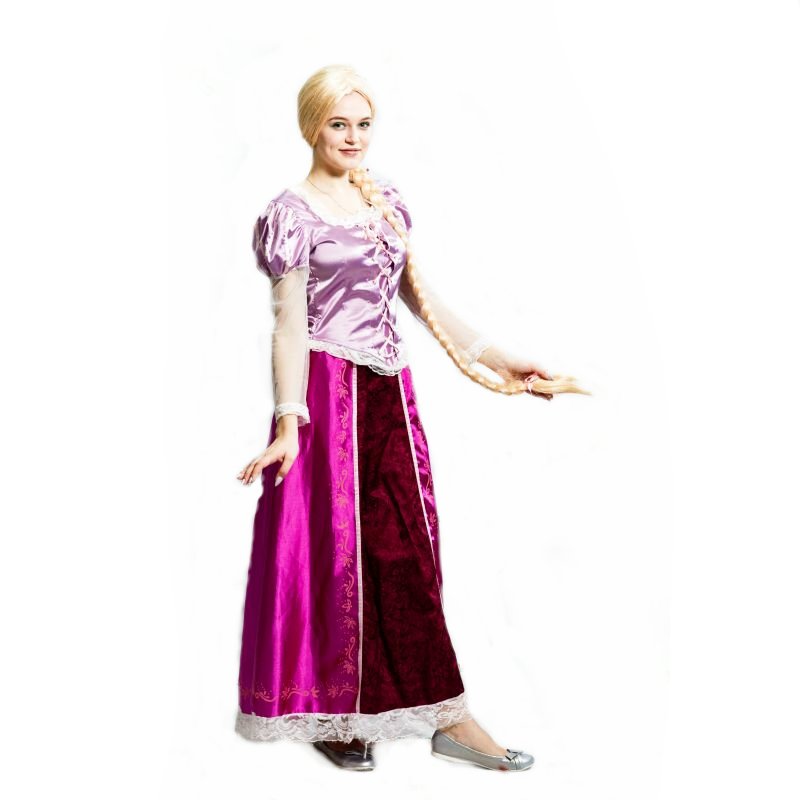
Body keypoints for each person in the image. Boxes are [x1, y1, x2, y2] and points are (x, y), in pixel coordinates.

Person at [235, 64, 589, 772]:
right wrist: (288, 421)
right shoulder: (292, 214)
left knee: (406, 557)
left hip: (389, 396)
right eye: (339, 124)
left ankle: (446, 718)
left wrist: (502, 360)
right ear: (312, 128)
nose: (353, 137)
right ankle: (337, 714)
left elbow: (422, 302)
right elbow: (290, 326)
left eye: (363, 124)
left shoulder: (384, 200)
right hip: (327, 398)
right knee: (334, 561)